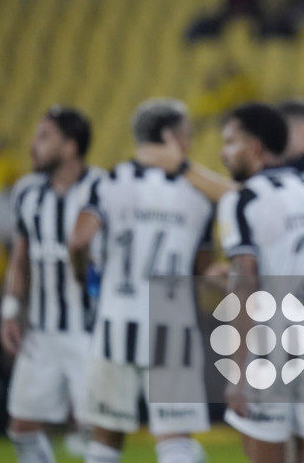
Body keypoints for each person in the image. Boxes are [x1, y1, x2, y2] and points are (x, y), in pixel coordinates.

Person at [69, 99, 214, 463]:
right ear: (170, 136)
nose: (190, 142)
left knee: (105, 440)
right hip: (172, 321)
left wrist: (85, 282)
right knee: (175, 440)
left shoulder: (109, 181)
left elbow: (78, 240)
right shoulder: (196, 192)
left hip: (115, 317)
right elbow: (203, 268)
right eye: (187, 134)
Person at [216, 103, 304, 463]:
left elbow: (245, 284)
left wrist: (237, 370)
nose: (224, 153)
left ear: (255, 147)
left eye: (230, 142)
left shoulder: (243, 199)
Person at [0, 107, 102, 463]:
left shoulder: (102, 188)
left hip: (91, 331)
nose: (33, 145)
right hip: (42, 331)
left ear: (70, 147)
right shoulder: (27, 193)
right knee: (21, 428)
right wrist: (10, 311)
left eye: (44, 137)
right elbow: (20, 257)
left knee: (98, 433)